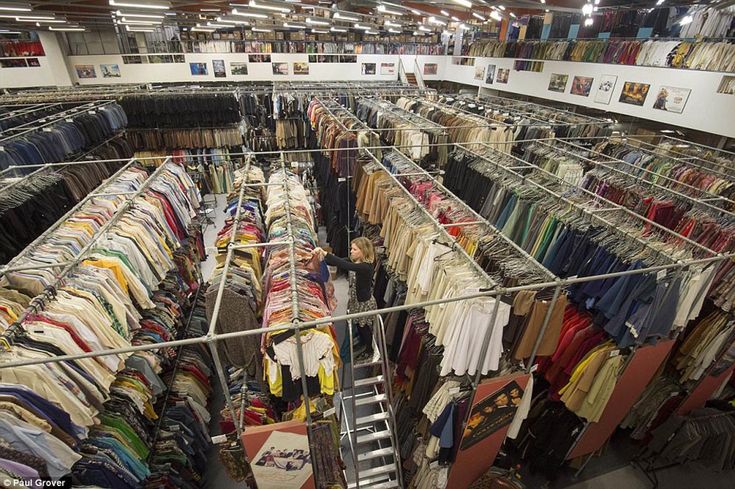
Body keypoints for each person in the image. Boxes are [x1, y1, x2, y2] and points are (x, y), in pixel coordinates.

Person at [312, 237, 377, 362]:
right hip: (355, 301)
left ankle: (369, 350)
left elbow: (344, 264)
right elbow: (338, 262)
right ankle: (363, 344)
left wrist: (325, 253)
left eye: (354, 249)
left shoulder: (366, 267)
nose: (351, 251)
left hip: (364, 304)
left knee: (364, 328)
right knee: (358, 325)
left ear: (363, 251)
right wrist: (322, 257)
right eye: (351, 249)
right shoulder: (355, 262)